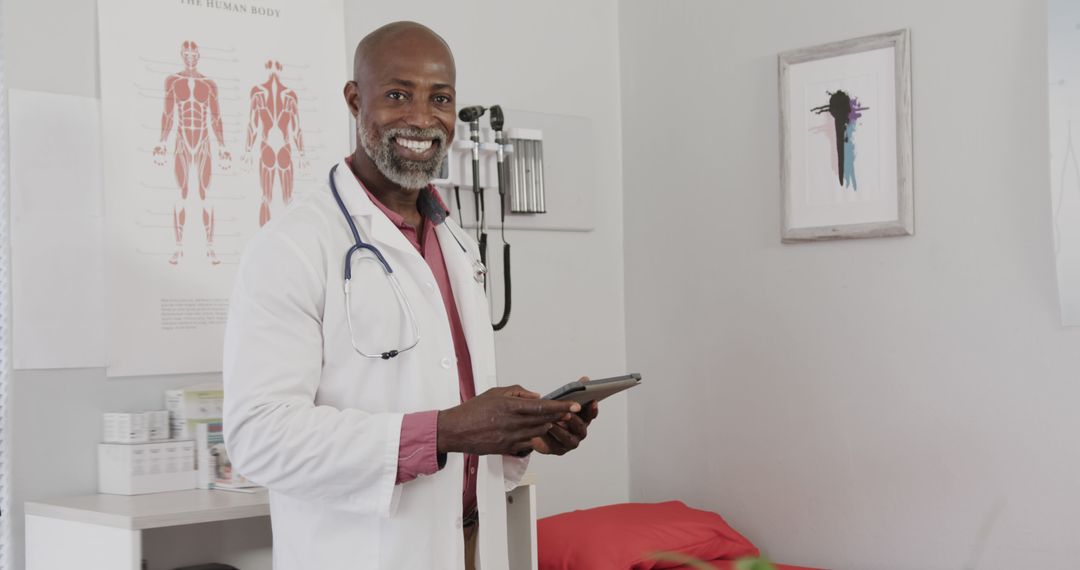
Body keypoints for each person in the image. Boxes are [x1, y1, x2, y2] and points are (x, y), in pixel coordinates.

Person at [223, 21, 598, 570]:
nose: (422, 118)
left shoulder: (455, 242)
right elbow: (260, 438)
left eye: (440, 98)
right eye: (398, 94)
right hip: (365, 552)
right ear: (355, 100)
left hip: (469, 542)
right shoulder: (293, 247)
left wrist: (520, 434)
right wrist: (445, 430)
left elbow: (456, 403)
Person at [153, 40, 230, 265]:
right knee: (182, 193)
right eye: (186, 53)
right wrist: (162, 142)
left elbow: (216, 117)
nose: (189, 56)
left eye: (193, 53)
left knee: (205, 194)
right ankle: (178, 247)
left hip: (204, 140)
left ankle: (210, 247)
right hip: (182, 140)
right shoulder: (173, 81)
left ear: (198, 56)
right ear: (181, 54)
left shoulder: (209, 84)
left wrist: (223, 146)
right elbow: (167, 114)